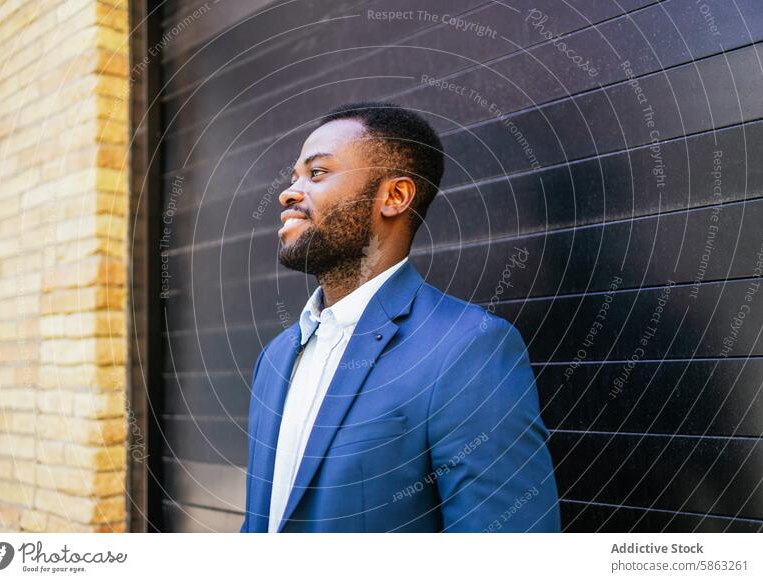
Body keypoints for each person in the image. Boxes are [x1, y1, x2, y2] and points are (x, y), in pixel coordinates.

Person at [240, 102, 560, 532]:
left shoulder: (468, 350)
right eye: (294, 176)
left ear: (395, 196)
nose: (289, 192)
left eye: (316, 173)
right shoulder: (274, 359)